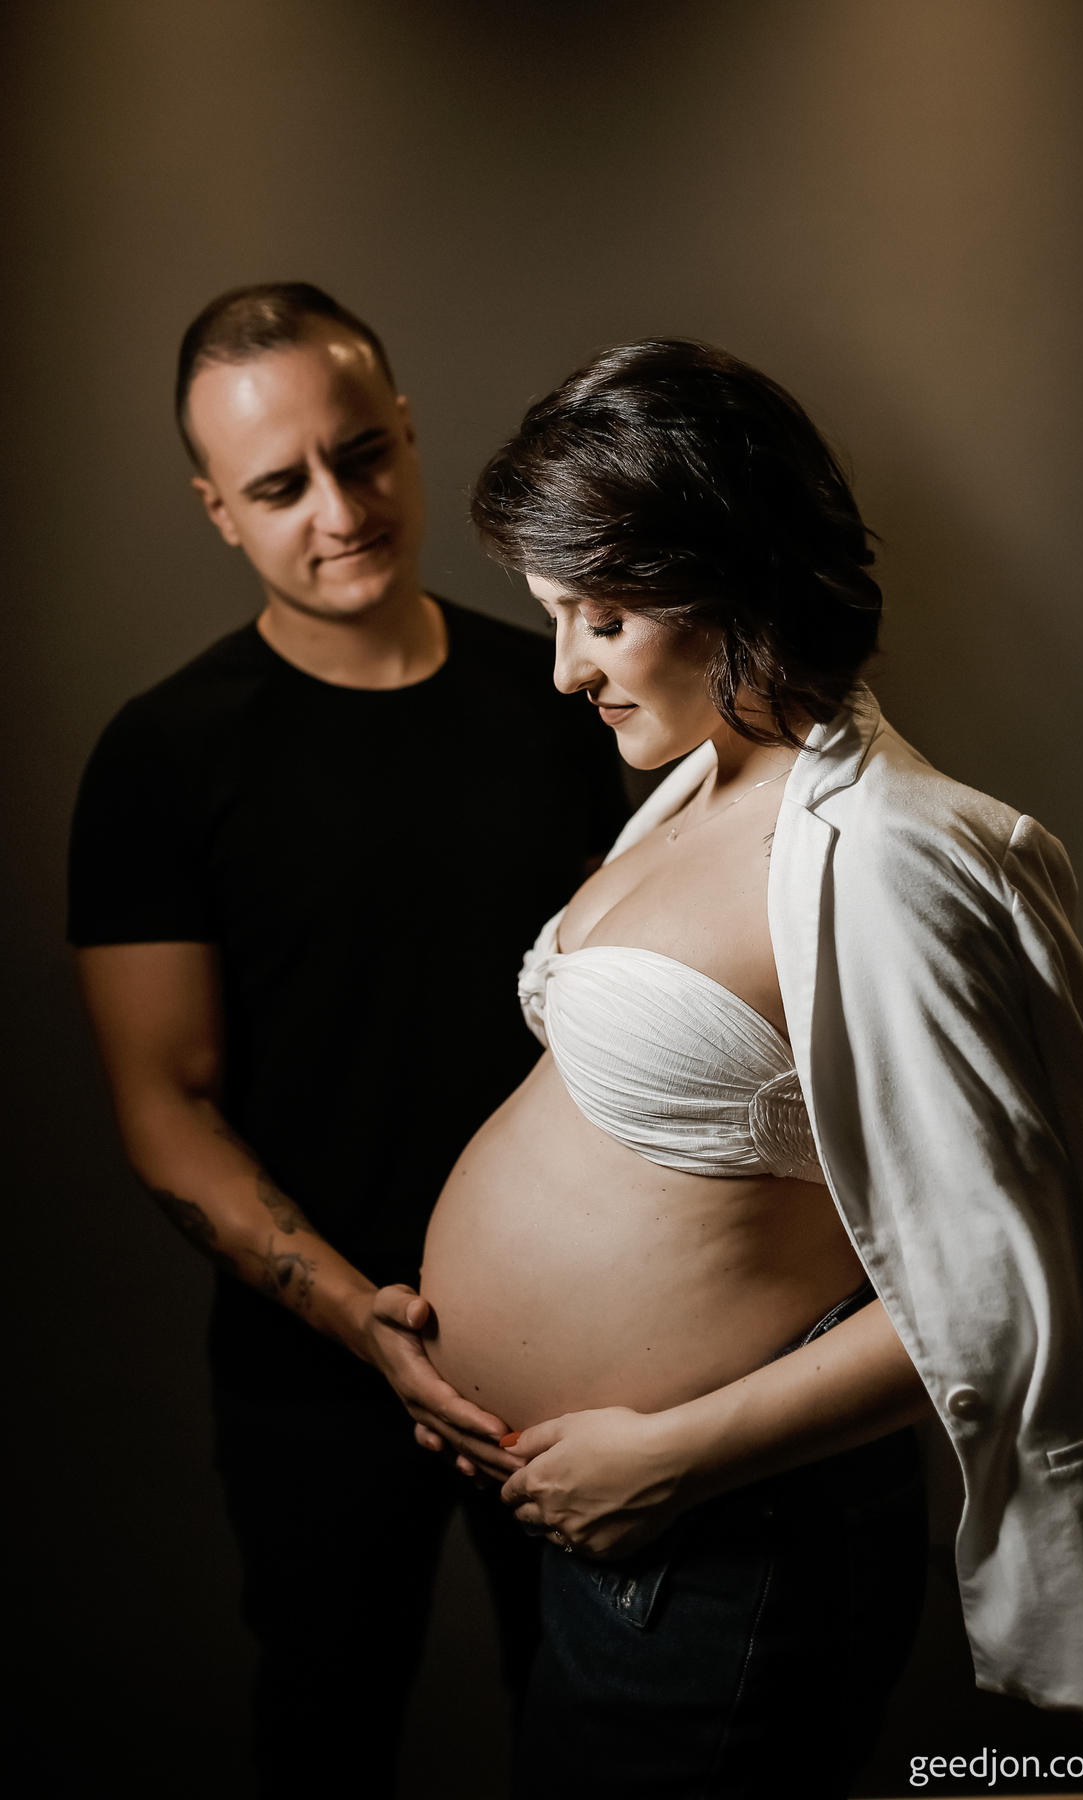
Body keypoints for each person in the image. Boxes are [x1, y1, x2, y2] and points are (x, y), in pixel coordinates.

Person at [382, 339, 1083, 1797]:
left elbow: (1003, 1298)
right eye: (555, 615)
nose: (566, 668)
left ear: (735, 580)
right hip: (611, 1533)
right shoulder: (700, 777)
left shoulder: (906, 854)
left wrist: (669, 1460)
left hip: (724, 1543)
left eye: (604, 616)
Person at [66, 283, 628, 1799]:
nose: (341, 508)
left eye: (363, 453)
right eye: (279, 486)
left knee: (592, 1736)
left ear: (408, 433)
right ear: (217, 510)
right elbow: (165, 1105)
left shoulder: (566, 698)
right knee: (325, 1733)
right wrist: (359, 1324)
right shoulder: (162, 756)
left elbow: (634, 1033)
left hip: (577, 1354)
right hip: (311, 1372)